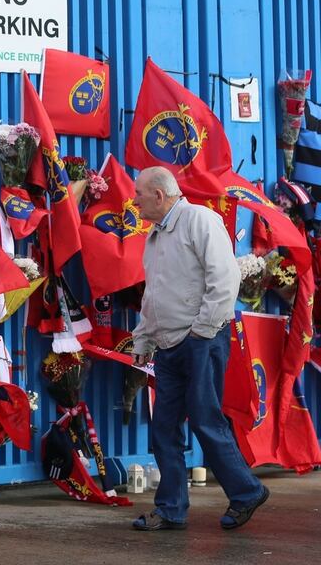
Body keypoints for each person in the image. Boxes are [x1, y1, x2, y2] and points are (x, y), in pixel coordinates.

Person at [129, 167, 269, 531]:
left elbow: (225, 279)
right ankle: (172, 509)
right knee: (164, 429)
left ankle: (246, 491)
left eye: (139, 194)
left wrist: (201, 332)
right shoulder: (155, 237)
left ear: (159, 196)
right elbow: (153, 296)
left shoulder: (199, 221)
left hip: (201, 342)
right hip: (169, 346)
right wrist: (143, 338)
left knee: (206, 421)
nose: (135, 200)